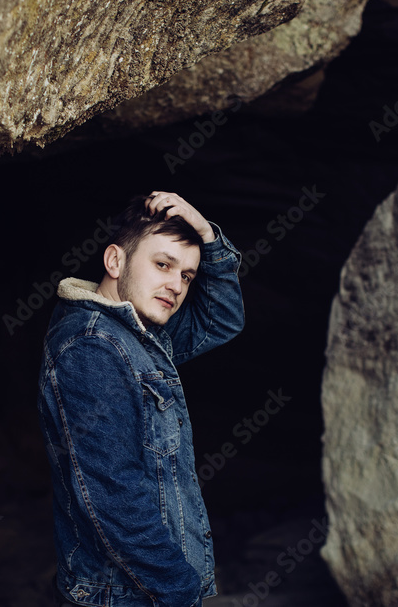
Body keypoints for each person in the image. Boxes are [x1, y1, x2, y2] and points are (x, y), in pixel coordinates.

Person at [38, 191, 245, 607]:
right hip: (126, 595)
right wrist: (180, 593)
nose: (176, 285)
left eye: (187, 276)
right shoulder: (93, 347)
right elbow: (114, 495)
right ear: (115, 261)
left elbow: (221, 319)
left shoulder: (138, 337)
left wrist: (208, 236)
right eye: (163, 264)